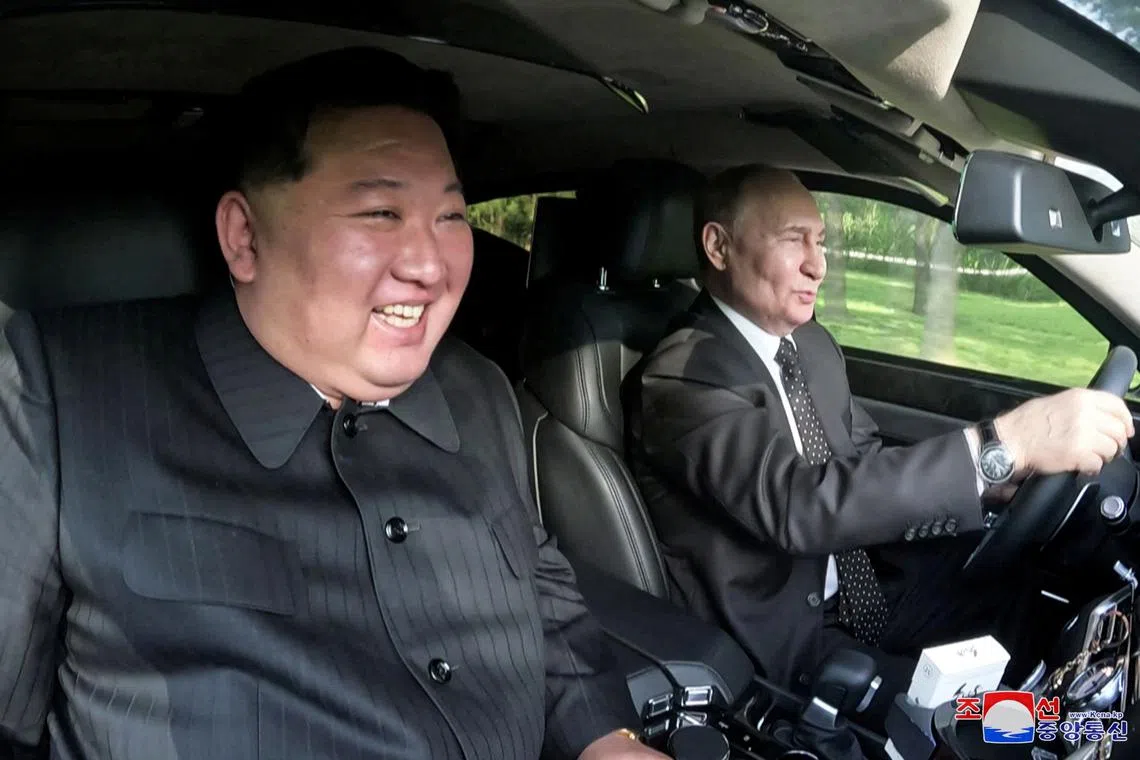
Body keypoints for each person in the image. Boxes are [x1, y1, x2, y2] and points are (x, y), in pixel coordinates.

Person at [0, 48, 666, 760]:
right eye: (381, 212)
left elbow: (539, 593)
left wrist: (607, 739)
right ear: (245, 237)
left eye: (450, 215)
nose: (430, 266)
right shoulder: (56, 396)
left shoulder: (477, 389)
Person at [625, 164, 1135, 723]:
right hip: (790, 645)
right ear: (719, 246)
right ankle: (1046, 735)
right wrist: (1001, 445)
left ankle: (1076, 724)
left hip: (871, 588)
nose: (818, 265)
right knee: (985, 723)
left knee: (1028, 605)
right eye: (793, 240)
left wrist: (995, 485)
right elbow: (801, 505)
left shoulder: (810, 345)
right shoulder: (683, 376)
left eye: (820, 242)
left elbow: (863, 459)